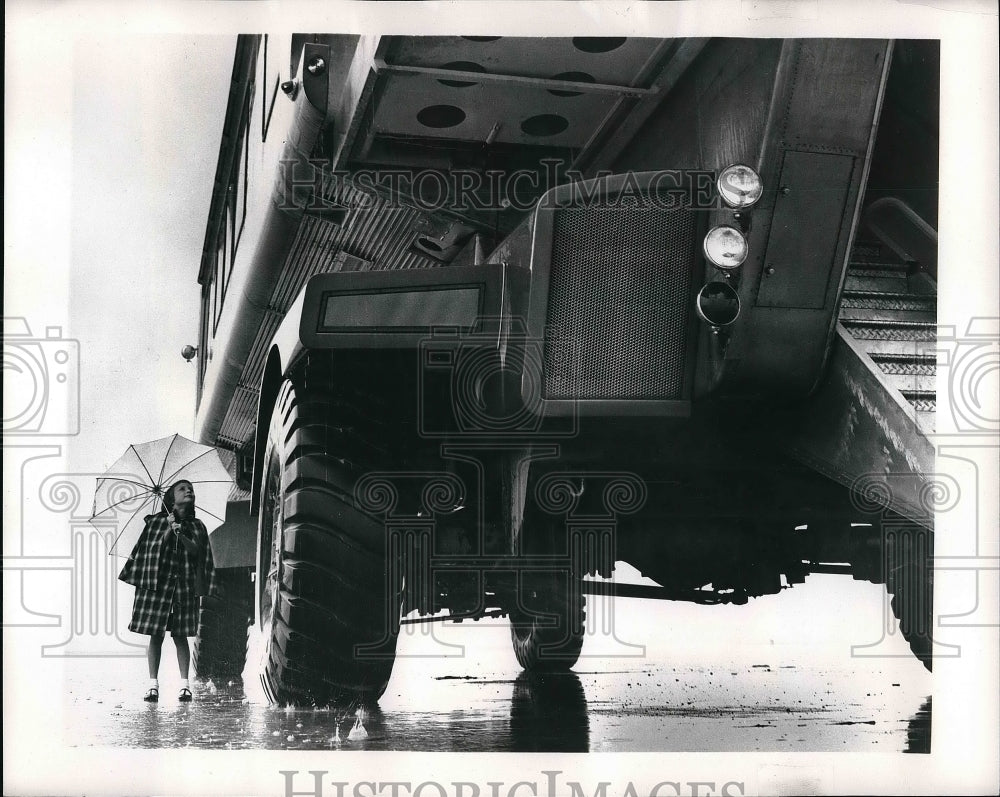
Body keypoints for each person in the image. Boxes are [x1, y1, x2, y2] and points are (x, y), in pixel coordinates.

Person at [118, 479, 217, 702]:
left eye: (191, 488)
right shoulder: (155, 522)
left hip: (183, 586)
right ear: (172, 498)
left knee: (180, 635)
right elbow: (151, 551)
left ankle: (184, 685)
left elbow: (197, 553)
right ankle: (153, 684)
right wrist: (168, 531)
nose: (189, 490)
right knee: (156, 634)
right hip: (159, 586)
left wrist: (181, 534)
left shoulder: (197, 525)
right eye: (182, 489)